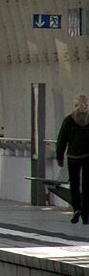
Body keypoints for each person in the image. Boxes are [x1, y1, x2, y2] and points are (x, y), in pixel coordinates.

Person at [56, 94, 89, 224]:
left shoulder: (69, 120)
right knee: (87, 186)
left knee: (74, 184)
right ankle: (86, 215)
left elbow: (62, 140)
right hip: (87, 157)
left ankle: (76, 208)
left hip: (73, 157)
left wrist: (59, 157)